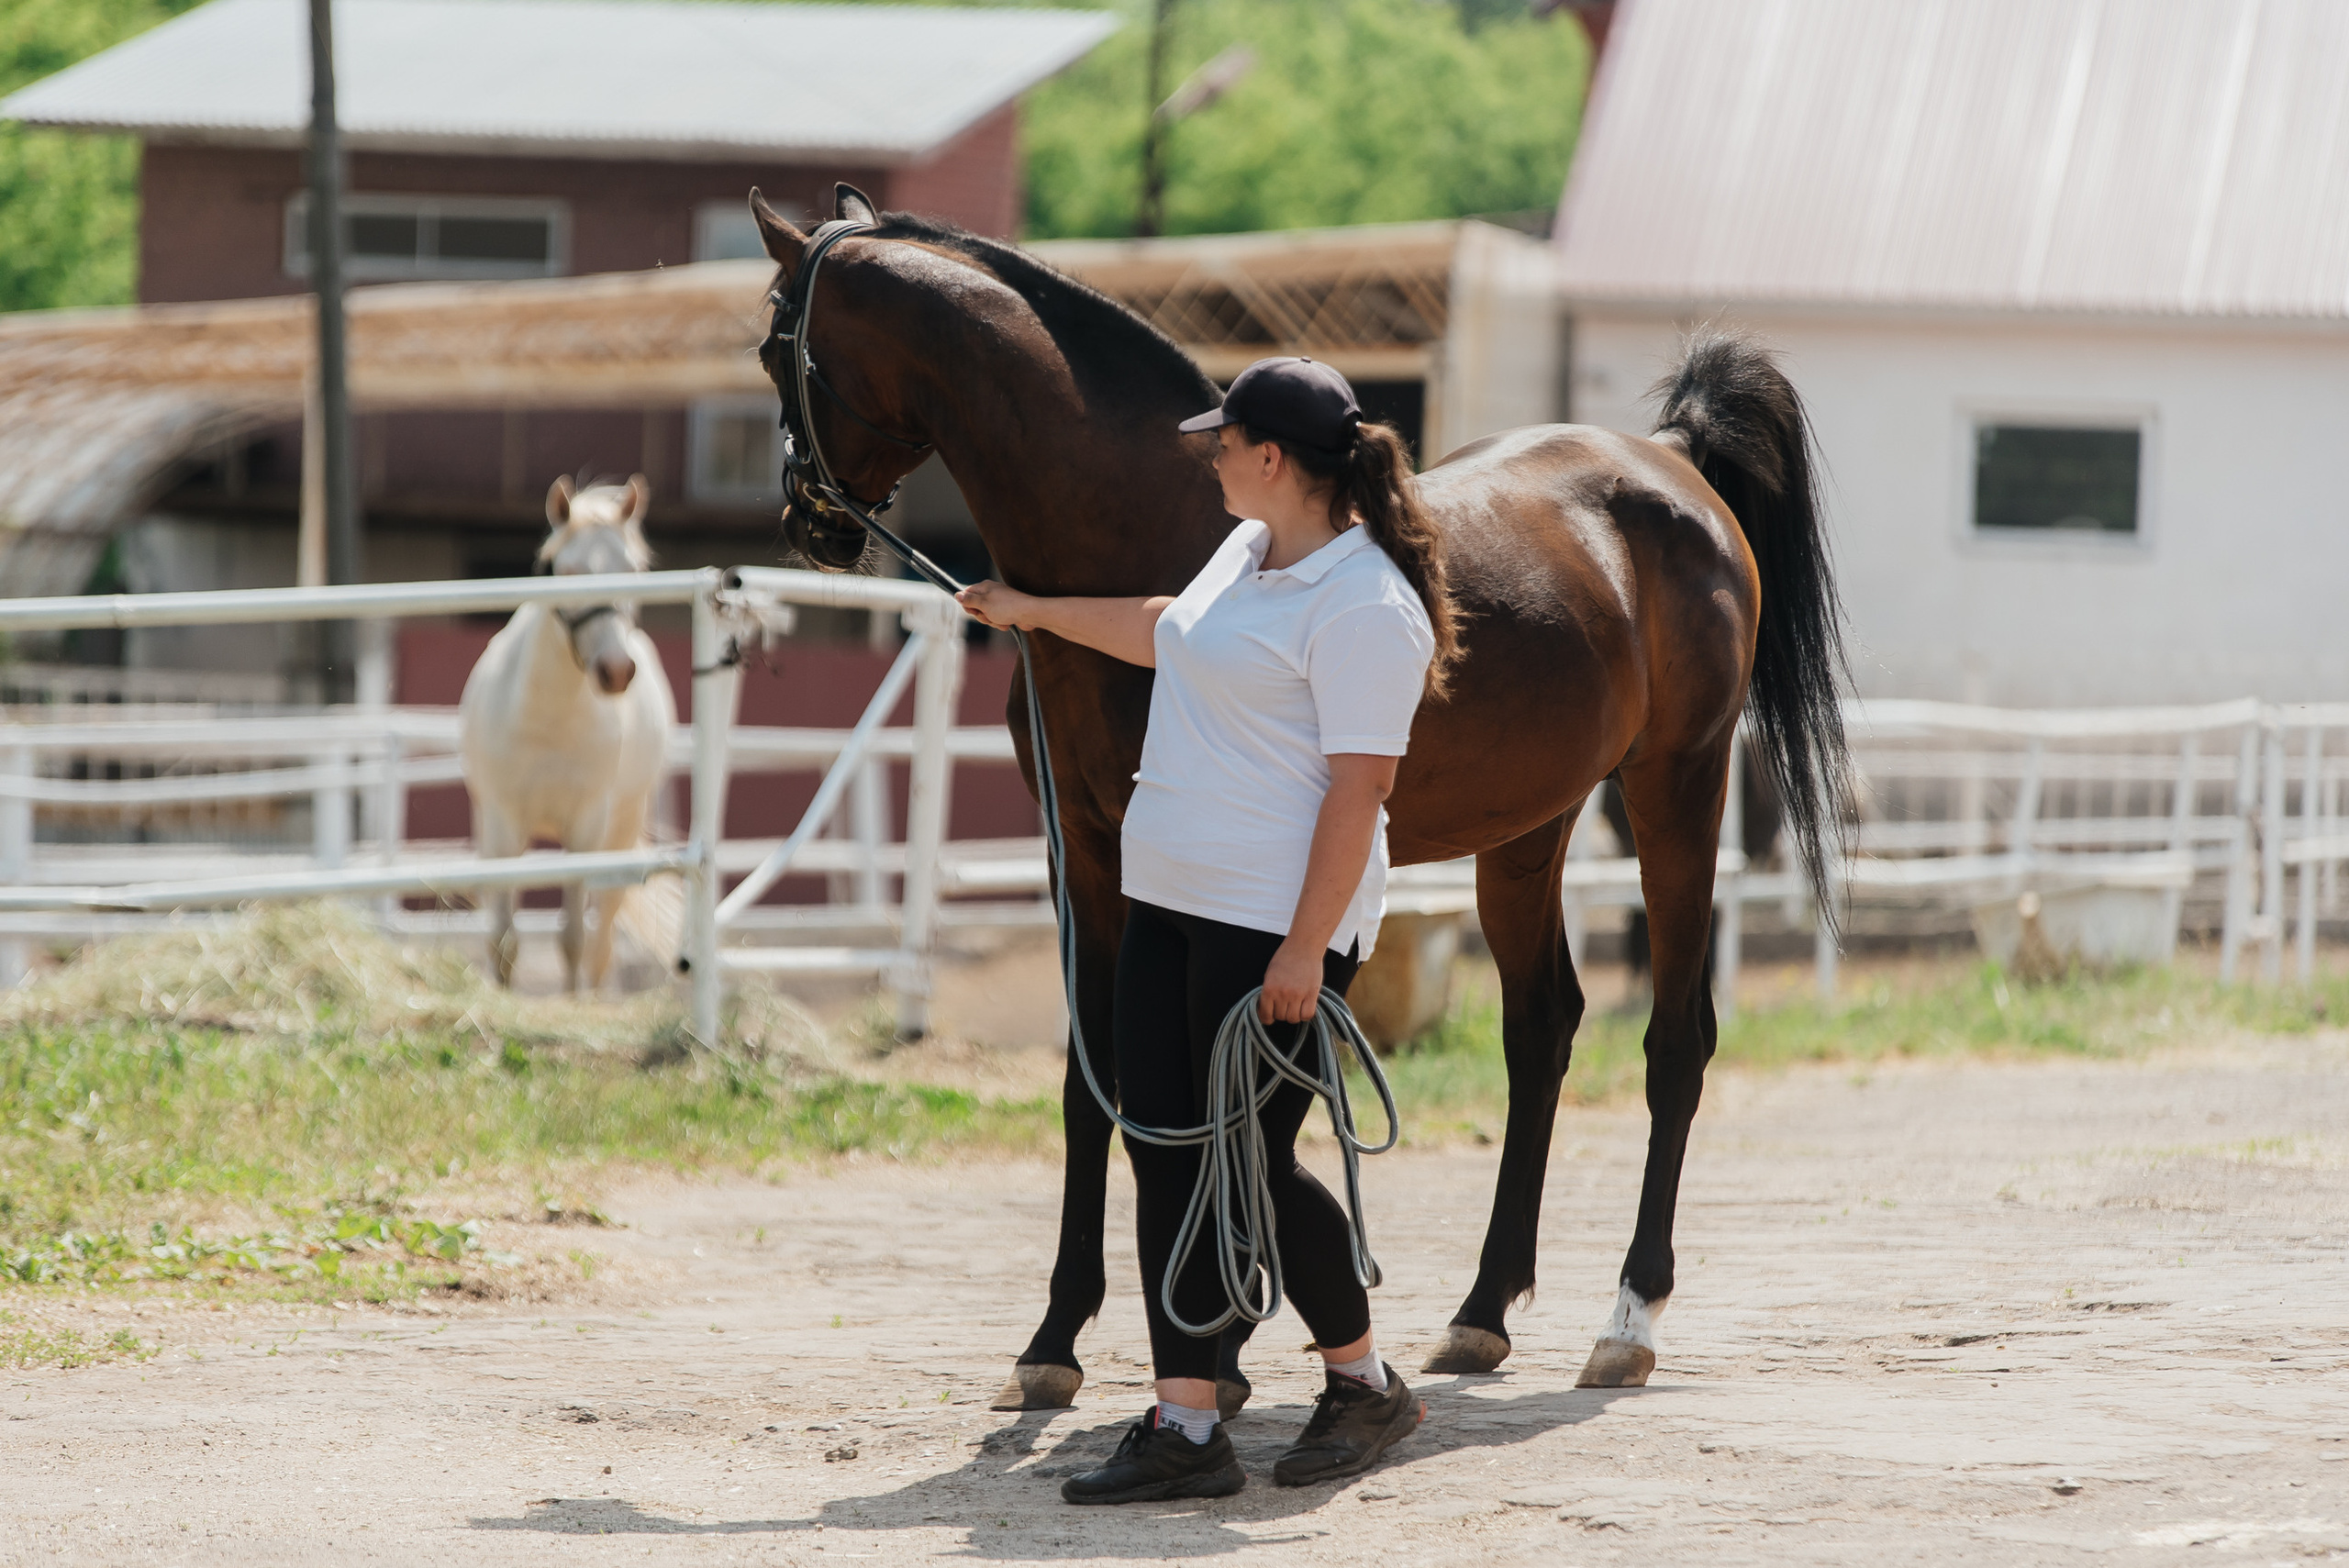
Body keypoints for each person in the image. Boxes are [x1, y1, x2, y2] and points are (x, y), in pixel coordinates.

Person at [956, 356, 1463, 1504]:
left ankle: (1363, 1379)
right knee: (1168, 1146)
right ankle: (1185, 1423)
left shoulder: (1365, 604)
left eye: (1223, 443)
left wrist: (1301, 948)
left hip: (1270, 924)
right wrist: (1032, 610)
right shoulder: (1247, 553)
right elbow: (1171, 629)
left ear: (1272, 458)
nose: (1212, 458)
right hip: (1171, 902)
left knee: (1247, 1158)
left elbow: (1358, 791)